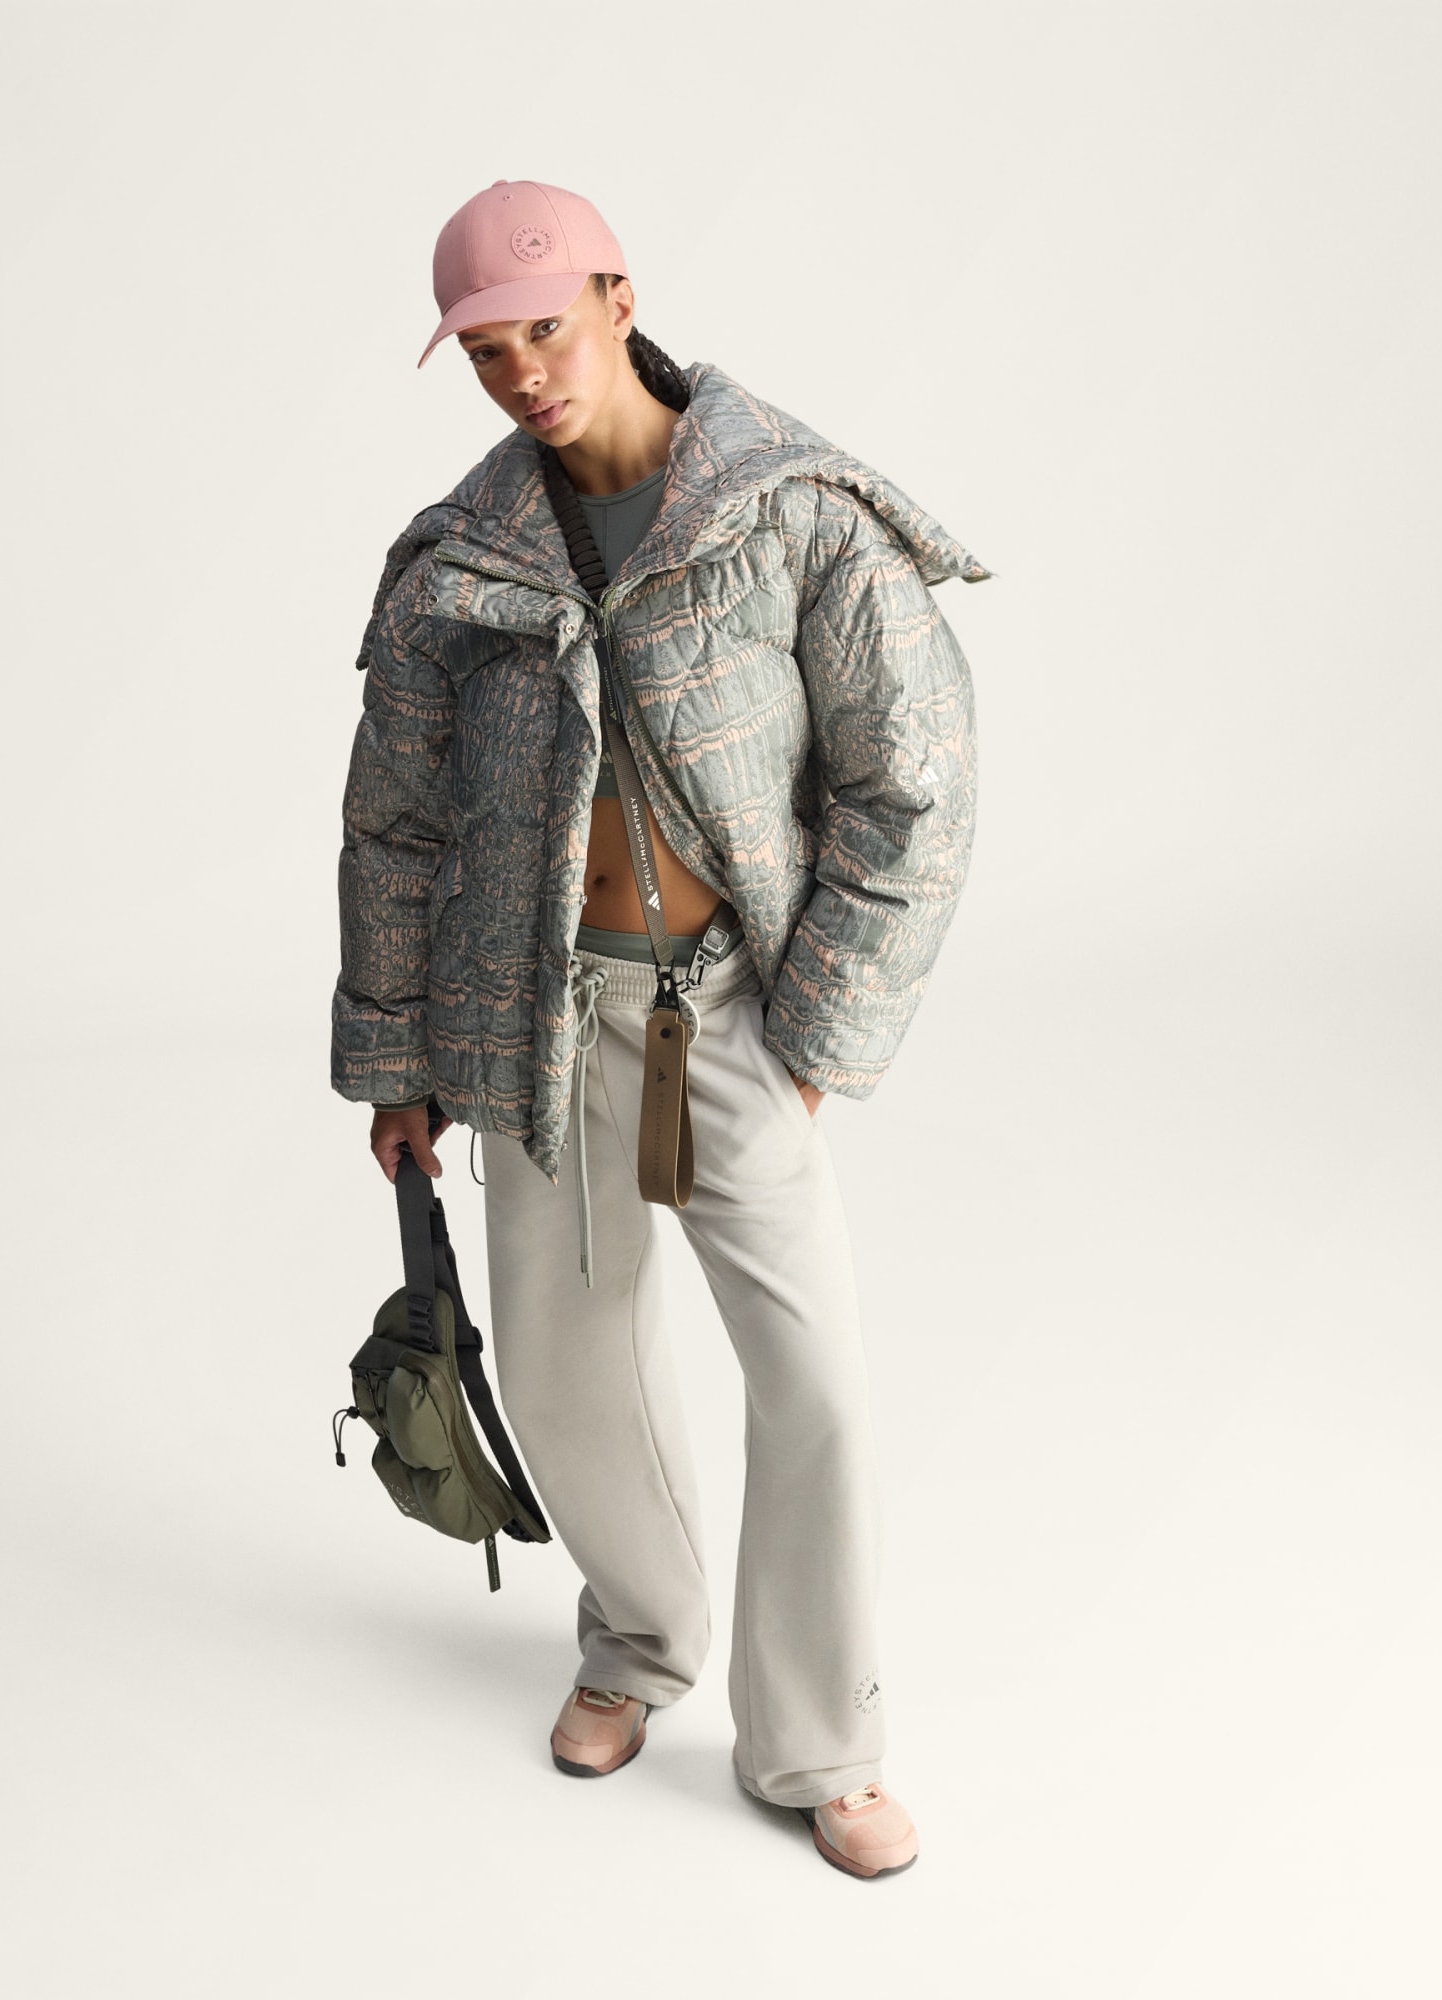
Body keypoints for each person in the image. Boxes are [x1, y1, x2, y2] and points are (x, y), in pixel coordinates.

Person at [332, 179, 987, 1879]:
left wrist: (821, 1028)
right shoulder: (461, 558)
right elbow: (396, 825)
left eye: (543, 330)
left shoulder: (794, 512)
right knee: (566, 1372)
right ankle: (636, 1642)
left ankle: (820, 1745)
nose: (521, 375)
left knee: (813, 1382)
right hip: (534, 1023)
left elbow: (912, 778)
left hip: (731, 1019)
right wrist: (399, 1064)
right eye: (486, 352)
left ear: (620, 299)